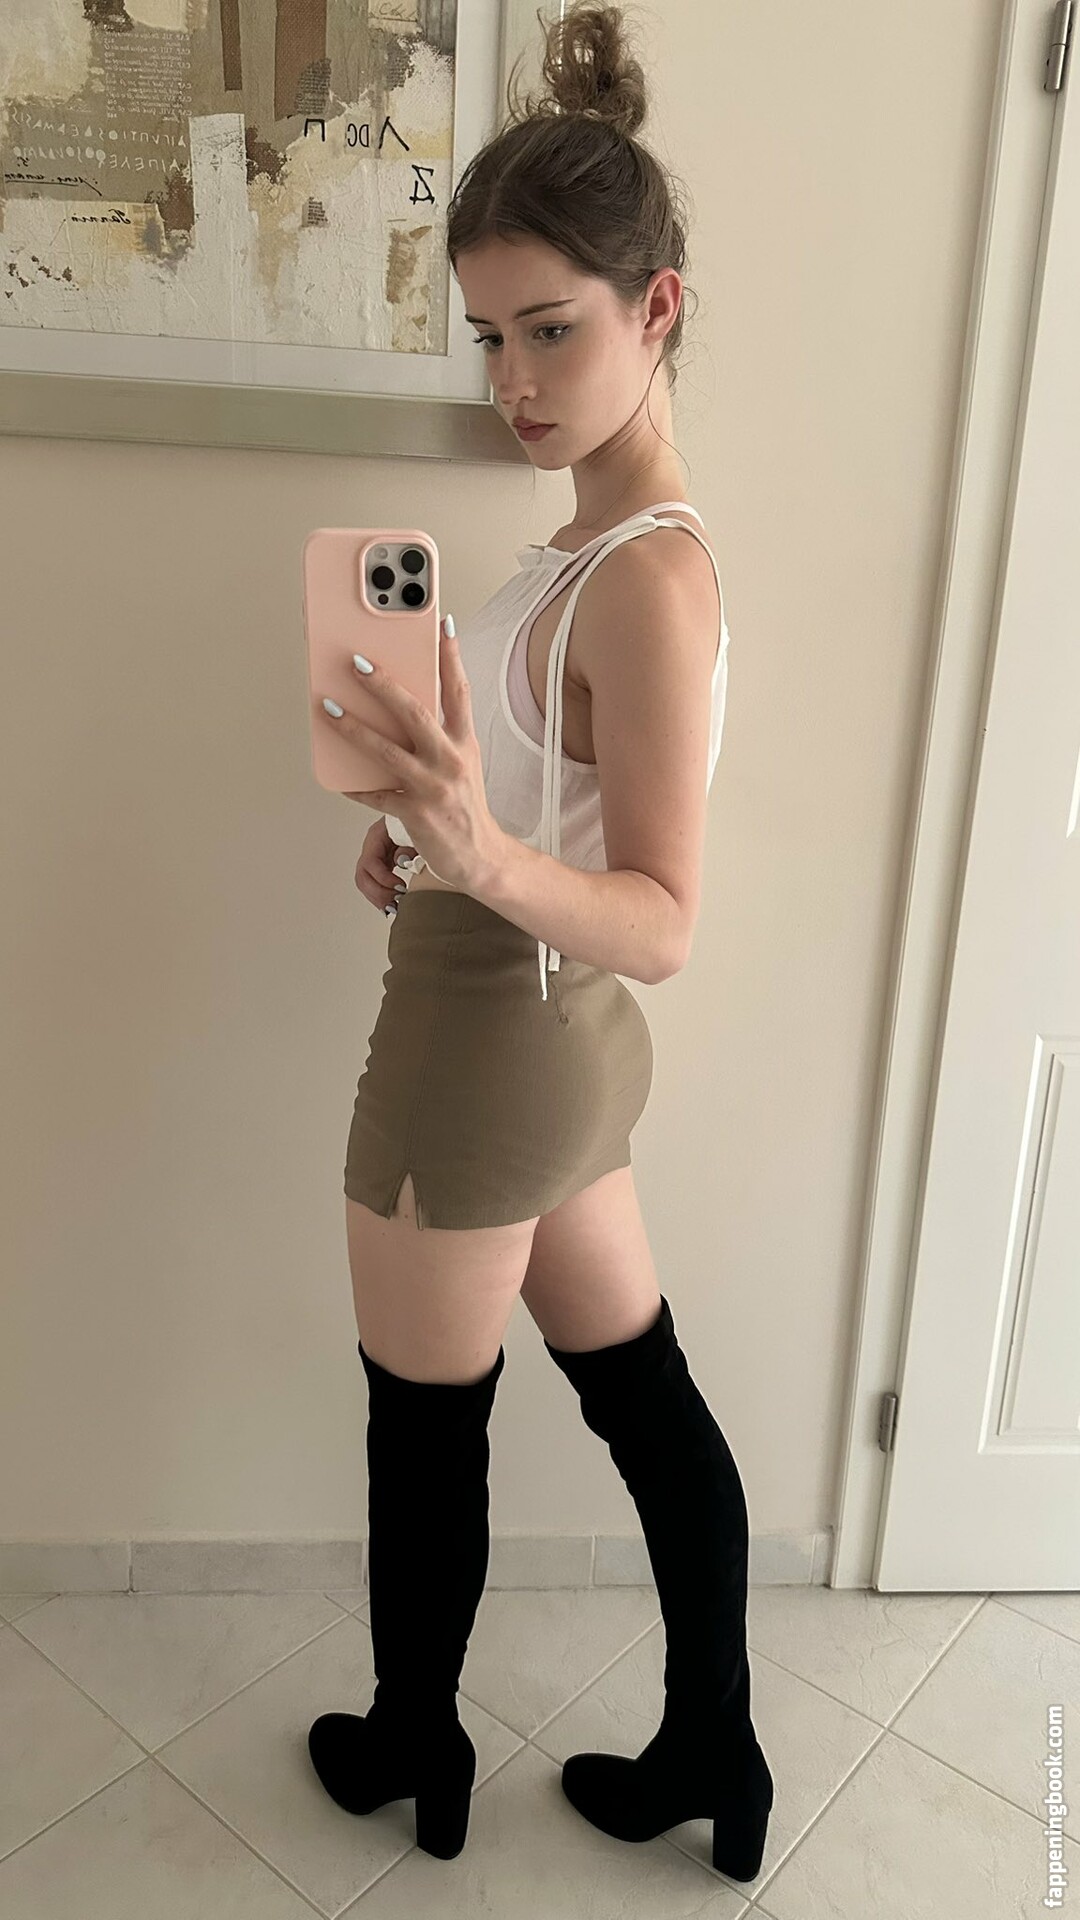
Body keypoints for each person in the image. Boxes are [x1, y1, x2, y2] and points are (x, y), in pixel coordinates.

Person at [307, 0, 774, 1879]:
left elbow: (661, 918)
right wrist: (431, 842)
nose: (511, 376)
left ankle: (414, 1748)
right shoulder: (589, 551)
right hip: (548, 1045)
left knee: (426, 1430)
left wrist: (475, 856)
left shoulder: (643, 576)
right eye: (488, 335)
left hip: (493, 1046)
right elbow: (545, 821)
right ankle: (715, 1746)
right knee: (643, 1395)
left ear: (656, 310)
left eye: (551, 329)